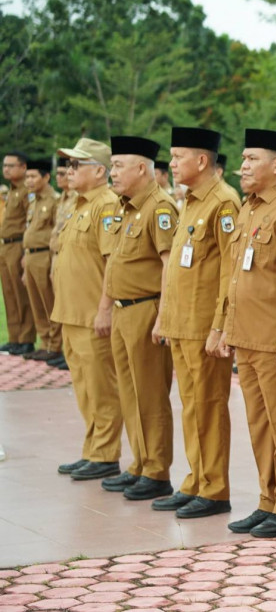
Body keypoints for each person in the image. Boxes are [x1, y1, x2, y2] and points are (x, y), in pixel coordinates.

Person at [214, 128, 276, 538]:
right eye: (243, 158)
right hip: (245, 335)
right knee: (258, 423)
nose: (243, 166)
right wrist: (222, 325)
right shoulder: (246, 208)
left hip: (275, 339)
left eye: (252, 158)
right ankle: (268, 499)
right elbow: (232, 272)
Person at [156, 127, 240, 519]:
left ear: (202, 161)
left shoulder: (223, 203)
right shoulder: (189, 201)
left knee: (208, 406)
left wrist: (219, 324)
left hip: (203, 325)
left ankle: (215, 488)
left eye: (178, 157)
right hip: (181, 322)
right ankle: (195, 480)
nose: (172, 164)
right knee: (191, 407)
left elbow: (229, 268)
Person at [102, 135, 178, 501]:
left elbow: (168, 267)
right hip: (122, 310)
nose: (112, 172)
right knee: (130, 393)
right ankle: (139, 462)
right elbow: (114, 261)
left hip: (146, 309)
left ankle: (157, 470)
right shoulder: (125, 207)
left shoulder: (159, 208)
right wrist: (105, 306)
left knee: (150, 395)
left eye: (118, 165)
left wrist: (163, 316)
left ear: (143, 169)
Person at [52, 138, 124, 481]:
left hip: (91, 314)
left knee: (101, 387)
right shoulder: (77, 205)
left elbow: (111, 262)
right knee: (83, 386)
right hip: (70, 312)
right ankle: (92, 450)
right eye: (68, 165)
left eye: (76, 165)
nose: (69, 171)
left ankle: (106, 454)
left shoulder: (107, 205)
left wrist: (104, 308)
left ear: (99, 171)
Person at [21, 158, 62, 363]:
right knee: (36, 302)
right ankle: (44, 342)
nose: (28, 180)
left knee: (49, 302)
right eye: (27, 176)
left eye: (32, 176)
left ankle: (55, 345)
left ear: (46, 177)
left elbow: (56, 232)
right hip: (30, 256)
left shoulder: (54, 200)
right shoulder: (33, 200)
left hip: (45, 255)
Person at [0, 150, 34, 355]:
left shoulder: (26, 191)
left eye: (11, 165)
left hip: (18, 245)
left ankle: (26, 339)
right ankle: (14, 337)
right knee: (9, 293)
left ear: (23, 167)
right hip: (5, 246)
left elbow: (29, 222)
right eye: (4, 165)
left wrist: (24, 252)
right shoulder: (11, 191)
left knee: (22, 294)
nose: (6, 169)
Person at [46, 158, 75, 370]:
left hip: (69, 257)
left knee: (68, 305)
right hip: (56, 255)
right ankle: (62, 348)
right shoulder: (63, 199)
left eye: (64, 173)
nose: (62, 177)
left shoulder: (76, 198)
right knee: (58, 305)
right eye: (61, 173)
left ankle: (66, 350)